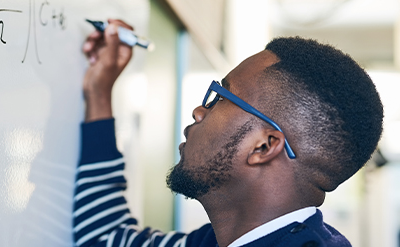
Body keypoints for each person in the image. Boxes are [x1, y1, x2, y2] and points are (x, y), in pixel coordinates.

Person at [73, 19, 383, 247]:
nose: (199, 111)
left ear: (264, 146)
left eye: (222, 97)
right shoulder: (228, 240)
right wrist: (100, 91)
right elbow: (104, 237)